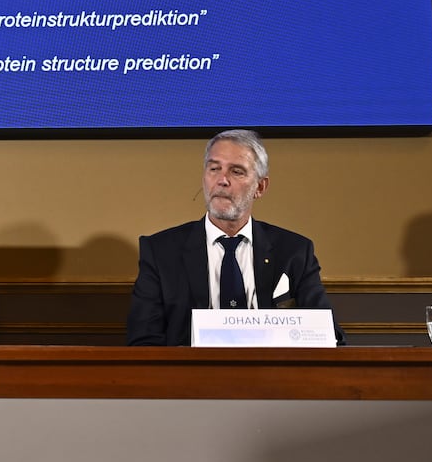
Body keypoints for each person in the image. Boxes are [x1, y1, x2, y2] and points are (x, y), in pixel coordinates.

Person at [125, 129, 341, 345]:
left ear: (260, 186)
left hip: (272, 374)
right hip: (191, 375)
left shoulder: (294, 252)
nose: (222, 180)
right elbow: (143, 343)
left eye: (236, 171)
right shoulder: (161, 251)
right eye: (214, 169)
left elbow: (329, 337)